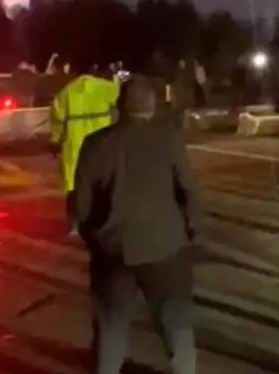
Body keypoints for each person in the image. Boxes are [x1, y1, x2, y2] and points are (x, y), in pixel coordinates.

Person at [73, 75, 204, 374]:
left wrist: (94, 239)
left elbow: (81, 205)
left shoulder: (95, 144)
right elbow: (190, 192)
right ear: (152, 106)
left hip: (113, 251)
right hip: (166, 249)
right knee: (177, 328)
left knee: (111, 328)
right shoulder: (167, 138)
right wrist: (190, 231)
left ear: (120, 107)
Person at [49, 63, 121, 235]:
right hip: (101, 144)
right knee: (103, 185)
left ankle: (74, 226)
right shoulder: (106, 88)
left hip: (74, 146)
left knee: (73, 187)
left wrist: (54, 141)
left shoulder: (66, 93)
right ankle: (103, 223)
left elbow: (56, 120)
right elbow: (122, 100)